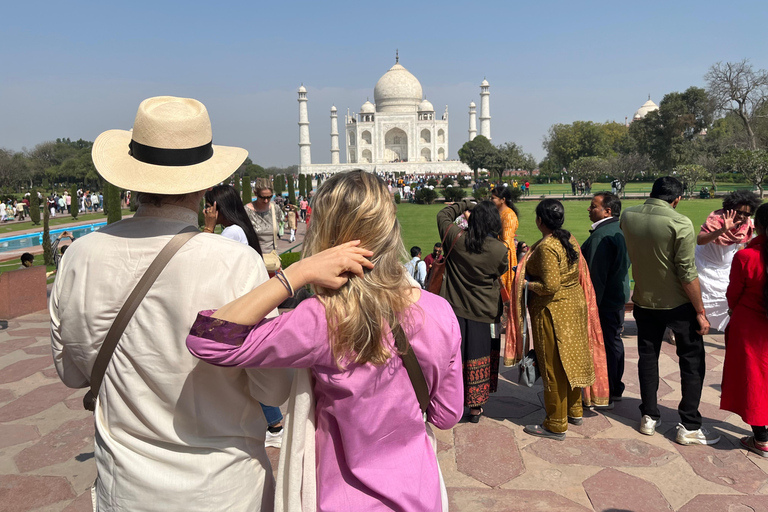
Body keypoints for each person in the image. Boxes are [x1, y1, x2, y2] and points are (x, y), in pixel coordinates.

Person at [49, 96, 292, 510]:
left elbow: (72, 375)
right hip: (224, 489)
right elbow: (273, 385)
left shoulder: (79, 258)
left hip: (125, 488)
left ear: (132, 177)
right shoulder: (233, 263)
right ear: (205, 183)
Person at [187, 170, 463, 511]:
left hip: (343, 498)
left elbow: (209, 339)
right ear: (391, 229)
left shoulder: (323, 318)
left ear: (326, 234)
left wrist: (297, 273)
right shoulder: (439, 313)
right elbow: (446, 415)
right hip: (418, 494)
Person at [621, 176, 720, 445]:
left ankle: (649, 416)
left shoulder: (628, 216)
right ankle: (688, 424)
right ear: (676, 199)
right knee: (691, 361)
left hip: (643, 298)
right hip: (678, 303)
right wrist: (700, 310)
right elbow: (687, 271)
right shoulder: (679, 221)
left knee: (648, 357)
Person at [203, 185, 285, 449]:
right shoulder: (241, 227)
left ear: (217, 207)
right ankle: (273, 423)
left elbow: (209, 264)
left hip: (236, 308)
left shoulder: (230, 232)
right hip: (247, 303)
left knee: (236, 368)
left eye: (209, 205)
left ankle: (273, 424)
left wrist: (207, 228)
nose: (206, 210)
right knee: (250, 370)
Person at [521, 199, 595, 440]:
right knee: (570, 359)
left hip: (552, 311)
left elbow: (550, 286)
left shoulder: (547, 247)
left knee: (552, 365)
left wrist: (525, 284)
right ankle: (574, 410)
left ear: (540, 221)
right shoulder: (568, 238)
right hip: (573, 306)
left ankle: (555, 422)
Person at [437, 199, 508, 423]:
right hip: (484, 312)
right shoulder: (499, 249)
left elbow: (443, 215)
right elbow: (501, 270)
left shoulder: (457, 239)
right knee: (480, 357)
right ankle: (476, 406)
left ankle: (451, 402)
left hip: (455, 309)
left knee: (455, 358)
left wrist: (465, 203)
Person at [721, 202, 768, 458]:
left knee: (754, 381)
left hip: (750, 327)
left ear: (758, 226)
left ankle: (761, 437)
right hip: (753, 326)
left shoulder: (746, 256)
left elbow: (733, 295)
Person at [582, 192, 630, 405]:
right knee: (613, 342)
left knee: (606, 344)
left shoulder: (601, 236)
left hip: (603, 301)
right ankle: (615, 387)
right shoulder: (620, 229)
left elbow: (595, 276)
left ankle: (606, 389)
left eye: (593, 206)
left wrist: (589, 307)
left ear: (607, 211)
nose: (589, 210)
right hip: (617, 296)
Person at [695, 190, 760, 331]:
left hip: (726, 267)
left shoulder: (746, 224)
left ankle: (730, 330)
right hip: (705, 264)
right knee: (698, 299)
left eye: (747, 214)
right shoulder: (716, 219)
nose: (742, 216)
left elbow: (741, 244)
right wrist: (723, 230)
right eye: (739, 212)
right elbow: (700, 240)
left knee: (729, 298)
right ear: (730, 209)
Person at [490, 187, 519, 298]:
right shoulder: (497, 212)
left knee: (505, 287)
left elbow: (505, 241)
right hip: (496, 249)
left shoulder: (509, 215)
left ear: (503, 200)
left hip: (504, 253)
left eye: (494, 198)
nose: (491, 200)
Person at [246, 185, 285, 255]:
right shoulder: (246, 211)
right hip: (253, 257)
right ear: (255, 193)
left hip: (272, 258)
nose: (266, 201)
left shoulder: (275, 209)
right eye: (262, 197)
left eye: (269, 197)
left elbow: (278, 223)